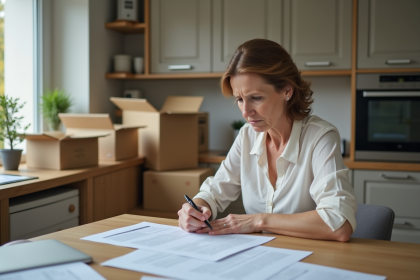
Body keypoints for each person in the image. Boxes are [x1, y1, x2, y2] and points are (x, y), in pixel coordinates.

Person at [177, 39, 357, 242]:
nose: (245, 112)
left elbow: (339, 224)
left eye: (256, 98)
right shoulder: (247, 135)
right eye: (239, 99)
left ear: (287, 90)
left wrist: (257, 221)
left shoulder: (320, 137)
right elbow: (215, 191)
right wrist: (197, 209)